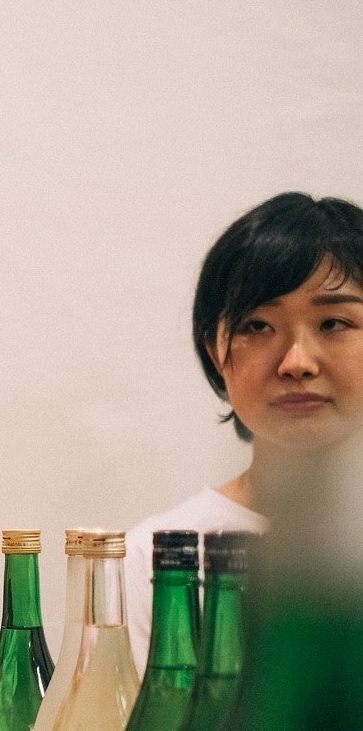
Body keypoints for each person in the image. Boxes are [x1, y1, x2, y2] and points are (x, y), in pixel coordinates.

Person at [125, 192, 363, 664]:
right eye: (257, 326)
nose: (297, 362)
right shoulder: (160, 556)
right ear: (216, 354)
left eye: (334, 322)